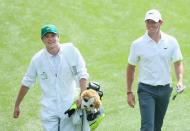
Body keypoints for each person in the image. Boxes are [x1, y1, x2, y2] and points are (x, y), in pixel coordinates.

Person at [13, 24, 89, 131]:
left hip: (70, 107)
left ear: (58, 37)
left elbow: (82, 74)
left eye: (53, 35)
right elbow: (27, 82)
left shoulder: (71, 51)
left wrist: (82, 96)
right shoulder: (37, 59)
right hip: (49, 110)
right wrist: (17, 105)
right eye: (46, 36)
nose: (50, 39)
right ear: (42, 39)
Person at [126, 9, 184, 131]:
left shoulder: (171, 41)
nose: (150, 25)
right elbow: (131, 67)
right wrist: (129, 92)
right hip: (146, 90)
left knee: (157, 127)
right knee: (148, 127)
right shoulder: (137, 44)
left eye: (153, 22)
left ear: (161, 22)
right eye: (148, 22)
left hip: (165, 90)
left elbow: (178, 62)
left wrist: (180, 80)